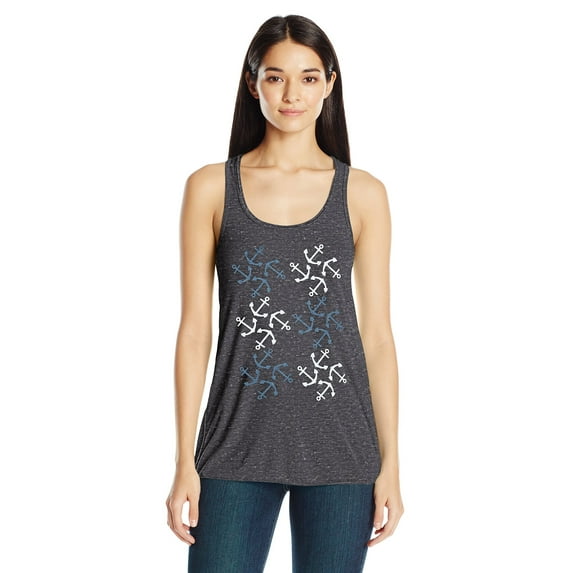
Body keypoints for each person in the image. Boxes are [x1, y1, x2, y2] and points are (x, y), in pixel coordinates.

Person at [166, 14, 404, 572]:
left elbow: (376, 338)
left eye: (308, 78)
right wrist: (183, 460)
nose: (291, 94)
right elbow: (195, 331)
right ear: (253, 84)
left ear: (329, 84)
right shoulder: (210, 188)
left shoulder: (363, 194)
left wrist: (391, 463)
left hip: (343, 449)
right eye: (275, 77)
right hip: (233, 445)